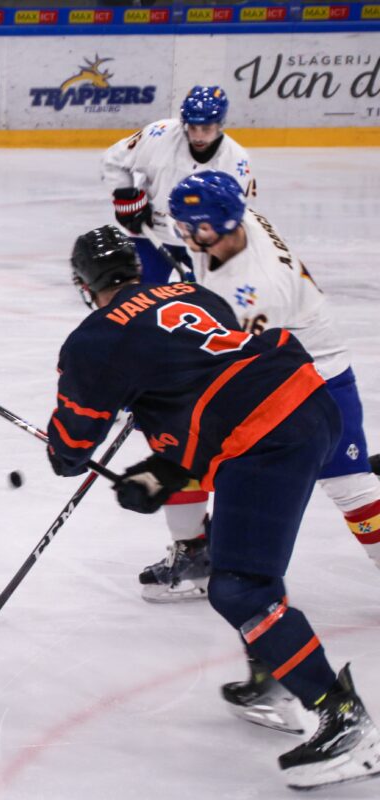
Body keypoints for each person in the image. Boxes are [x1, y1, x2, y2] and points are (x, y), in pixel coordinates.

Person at [49, 225, 380, 790]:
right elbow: (206, 395)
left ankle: (342, 719)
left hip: (268, 437)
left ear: (84, 285)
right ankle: (273, 678)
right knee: (239, 553)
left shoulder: (94, 339)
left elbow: (70, 450)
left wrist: (66, 446)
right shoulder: (190, 293)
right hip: (307, 402)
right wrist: (162, 472)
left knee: (240, 586)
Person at [127, 171, 380, 600]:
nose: (185, 235)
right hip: (274, 359)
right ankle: (194, 556)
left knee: (348, 485)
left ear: (222, 225)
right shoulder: (236, 222)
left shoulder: (255, 291)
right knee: (177, 448)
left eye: (195, 228)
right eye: (185, 227)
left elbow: (222, 364)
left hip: (313, 373)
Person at [101, 86, 255, 285]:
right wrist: (125, 197)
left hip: (203, 241)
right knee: (138, 301)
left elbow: (240, 217)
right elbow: (113, 160)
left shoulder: (236, 161)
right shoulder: (159, 135)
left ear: (220, 125)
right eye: (193, 127)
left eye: (206, 128)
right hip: (150, 231)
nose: (198, 136)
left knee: (214, 299)